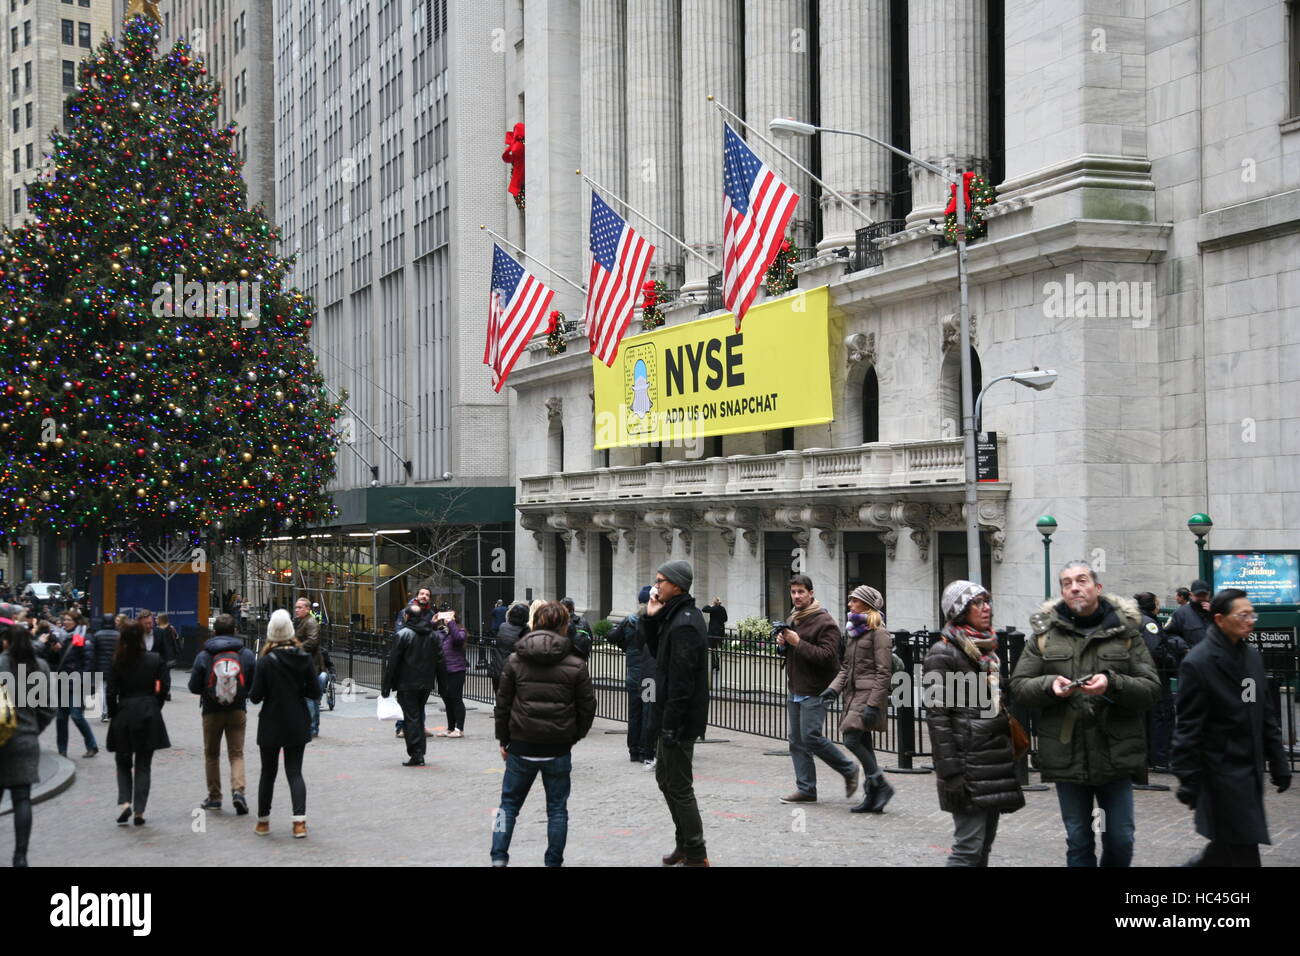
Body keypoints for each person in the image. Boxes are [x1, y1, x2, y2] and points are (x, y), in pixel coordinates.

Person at [1010, 561, 1161, 867]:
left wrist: (1113, 683)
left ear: (1097, 588)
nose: (1074, 587)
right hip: (1068, 753)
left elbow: (1151, 688)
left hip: (1115, 752)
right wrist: (1051, 685)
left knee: (1120, 838)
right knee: (1079, 839)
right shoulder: (1044, 635)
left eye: (1081, 581)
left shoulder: (1126, 632)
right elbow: (1019, 686)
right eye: (1067, 583)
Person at [1172, 589, 1292, 866]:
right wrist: (1188, 780)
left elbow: (1263, 713)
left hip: (1249, 773)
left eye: (1252, 614)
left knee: (1227, 850)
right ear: (1220, 619)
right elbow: (1188, 728)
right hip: (1220, 776)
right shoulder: (1198, 662)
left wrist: (1279, 762)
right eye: (1243, 615)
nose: (1251, 620)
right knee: (1243, 849)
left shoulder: (1251, 656)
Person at [924, 581, 1026, 865]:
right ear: (959, 611)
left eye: (987, 601)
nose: (986, 608)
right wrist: (951, 772)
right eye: (977, 603)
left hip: (992, 760)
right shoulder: (942, 653)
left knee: (983, 850)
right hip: (967, 764)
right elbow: (937, 717)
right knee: (967, 849)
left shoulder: (986, 650)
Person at [490, 601, 596, 867]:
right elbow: (587, 707)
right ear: (564, 625)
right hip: (558, 746)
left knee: (507, 806)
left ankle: (498, 857)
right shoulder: (575, 663)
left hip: (522, 744)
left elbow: (503, 704)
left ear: (535, 623)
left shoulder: (515, 659)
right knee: (557, 810)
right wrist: (573, 735)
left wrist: (504, 740)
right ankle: (553, 861)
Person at [640, 560, 711, 867]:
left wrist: (670, 727)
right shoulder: (672, 615)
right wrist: (651, 616)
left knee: (679, 786)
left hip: (680, 719)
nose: (656, 586)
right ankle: (684, 843)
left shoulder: (685, 622)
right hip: (670, 714)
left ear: (677, 585)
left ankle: (696, 853)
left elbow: (681, 682)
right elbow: (658, 654)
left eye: (660, 581)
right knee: (665, 779)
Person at [777, 574, 859, 805]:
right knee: (796, 740)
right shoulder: (794, 618)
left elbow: (827, 657)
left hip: (816, 688)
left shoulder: (825, 622)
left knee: (811, 735)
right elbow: (794, 652)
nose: (796, 596)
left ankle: (849, 768)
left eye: (801, 592)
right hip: (796, 686)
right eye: (793, 592)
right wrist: (783, 646)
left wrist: (797, 643)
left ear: (811, 593)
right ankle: (806, 789)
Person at [823, 585, 894, 813]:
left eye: (854, 600)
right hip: (852, 693)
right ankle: (872, 794)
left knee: (851, 739)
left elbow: (884, 671)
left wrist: (874, 704)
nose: (850, 603)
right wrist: (832, 689)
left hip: (867, 694)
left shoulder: (879, 633)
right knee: (863, 743)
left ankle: (880, 783)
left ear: (866, 604)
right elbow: (846, 667)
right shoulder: (854, 631)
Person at [249, 609, 319, 838]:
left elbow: (256, 696)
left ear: (271, 632)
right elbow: (315, 691)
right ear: (290, 631)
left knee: (267, 773)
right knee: (295, 772)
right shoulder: (304, 658)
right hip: (297, 720)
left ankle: (263, 822)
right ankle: (299, 823)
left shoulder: (266, 661)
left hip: (271, 721)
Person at [189, 612, 257, 814]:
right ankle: (238, 791)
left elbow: (193, 686)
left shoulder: (204, 655)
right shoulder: (244, 654)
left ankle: (215, 797)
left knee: (212, 754)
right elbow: (253, 683)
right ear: (235, 631)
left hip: (211, 710)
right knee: (236, 754)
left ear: (214, 631)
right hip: (237, 709)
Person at [106, 620, 171, 827]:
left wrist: (115, 712)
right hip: (148, 711)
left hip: (125, 711)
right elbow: (164, 687)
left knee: (123, 761)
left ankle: (125, 801)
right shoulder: (154, 659)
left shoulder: (117, 660)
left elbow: (111, 692)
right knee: (144, 764)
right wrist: (155, 705)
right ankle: (140, 810)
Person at [0, 624, 54, 866]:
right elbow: (47, 709)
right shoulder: (39, 667)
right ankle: (20, 855)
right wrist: (34, 729)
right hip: (26, 740)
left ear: (5, 643)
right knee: (22, 799)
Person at [382, 596, 442, 766]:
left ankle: (416, 753)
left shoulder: (403, 634)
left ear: (407, 617)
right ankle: (419, 751)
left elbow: (393, 662)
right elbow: (439, 659)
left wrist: (386, 687)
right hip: (425, 683)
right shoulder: (432, 635)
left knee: (411, 717)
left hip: (407, 683)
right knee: (416, 716)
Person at [1134, 591, 1186, 771]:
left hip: (1145, 676)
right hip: (1156, 676)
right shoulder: (1149, 624)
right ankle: (1161, 758)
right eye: (1157, 602)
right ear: (1153, 605)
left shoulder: (1138, 620)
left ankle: (1153, 758)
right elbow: (1156, 650)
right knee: (1161, 716)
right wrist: (1172, 662)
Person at [606, 586, 657, 768]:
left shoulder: (629, 621)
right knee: (647, 713)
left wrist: (626, 647)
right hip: (648, 676)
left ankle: (634, 750)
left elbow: (611, 636)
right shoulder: (653, 621)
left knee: (634, 713)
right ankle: (645, 750)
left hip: (633, 673)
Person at [53, 610, 98, 759]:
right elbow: (59, 660)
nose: (64, 622)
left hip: (76, 683)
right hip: (63, 682)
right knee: (61, 717)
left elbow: (88, 660)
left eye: (68, 620)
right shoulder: (64, 637)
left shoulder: (80, 635)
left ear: (76, 622)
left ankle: (92, 745)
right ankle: (62, 750)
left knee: (76, 715)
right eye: (64, 620)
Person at [433, 605, 468, 738]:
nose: (447, 617)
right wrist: (433, 622)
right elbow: (429, 637)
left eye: (450, 615)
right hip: (443, 671)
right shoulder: (441, 632)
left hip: (456, 670)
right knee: (447, 700)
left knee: (456, 699)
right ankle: (450, 728)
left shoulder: (461, 630)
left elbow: (458, 640)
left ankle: (459, 729)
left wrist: (451, 623)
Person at [292, 597, 324, 738]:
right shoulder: (304, 621)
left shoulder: (310, 622)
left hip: (310, 664)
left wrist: (294, 648)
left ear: (307, 609)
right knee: (309, 697)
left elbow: (312, 642)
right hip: (306, 663)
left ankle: (312, 728)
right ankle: (310, 726)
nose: (297, 610)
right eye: (296, 607)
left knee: (310, 698)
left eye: (300, 607)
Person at [491, 602, 529, 694]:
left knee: (500, 699)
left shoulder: (503, 626)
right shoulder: (525, 631)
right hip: (513, 672)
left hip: (498, 669)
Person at [1164, 579, 1212, 648]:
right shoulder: (1180, 613)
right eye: (1198, 595)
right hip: (1191, 656)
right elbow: (1169, 635)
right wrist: (1184, 648)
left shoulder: (1216, 612)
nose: (1201, 598)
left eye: (1204, 595)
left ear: (1209, 594)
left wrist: (1213, 613)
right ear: (1191, 595)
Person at [700, 597, 727, 673]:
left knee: (712, 648)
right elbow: (725, 619)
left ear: (715, 602)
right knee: (718, 648)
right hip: (720, 631)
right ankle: (717, 663)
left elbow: (704, 609)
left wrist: (711, 605)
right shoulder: (722, 609)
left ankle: (714, 664)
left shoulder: (713, 608)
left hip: (713, 632)